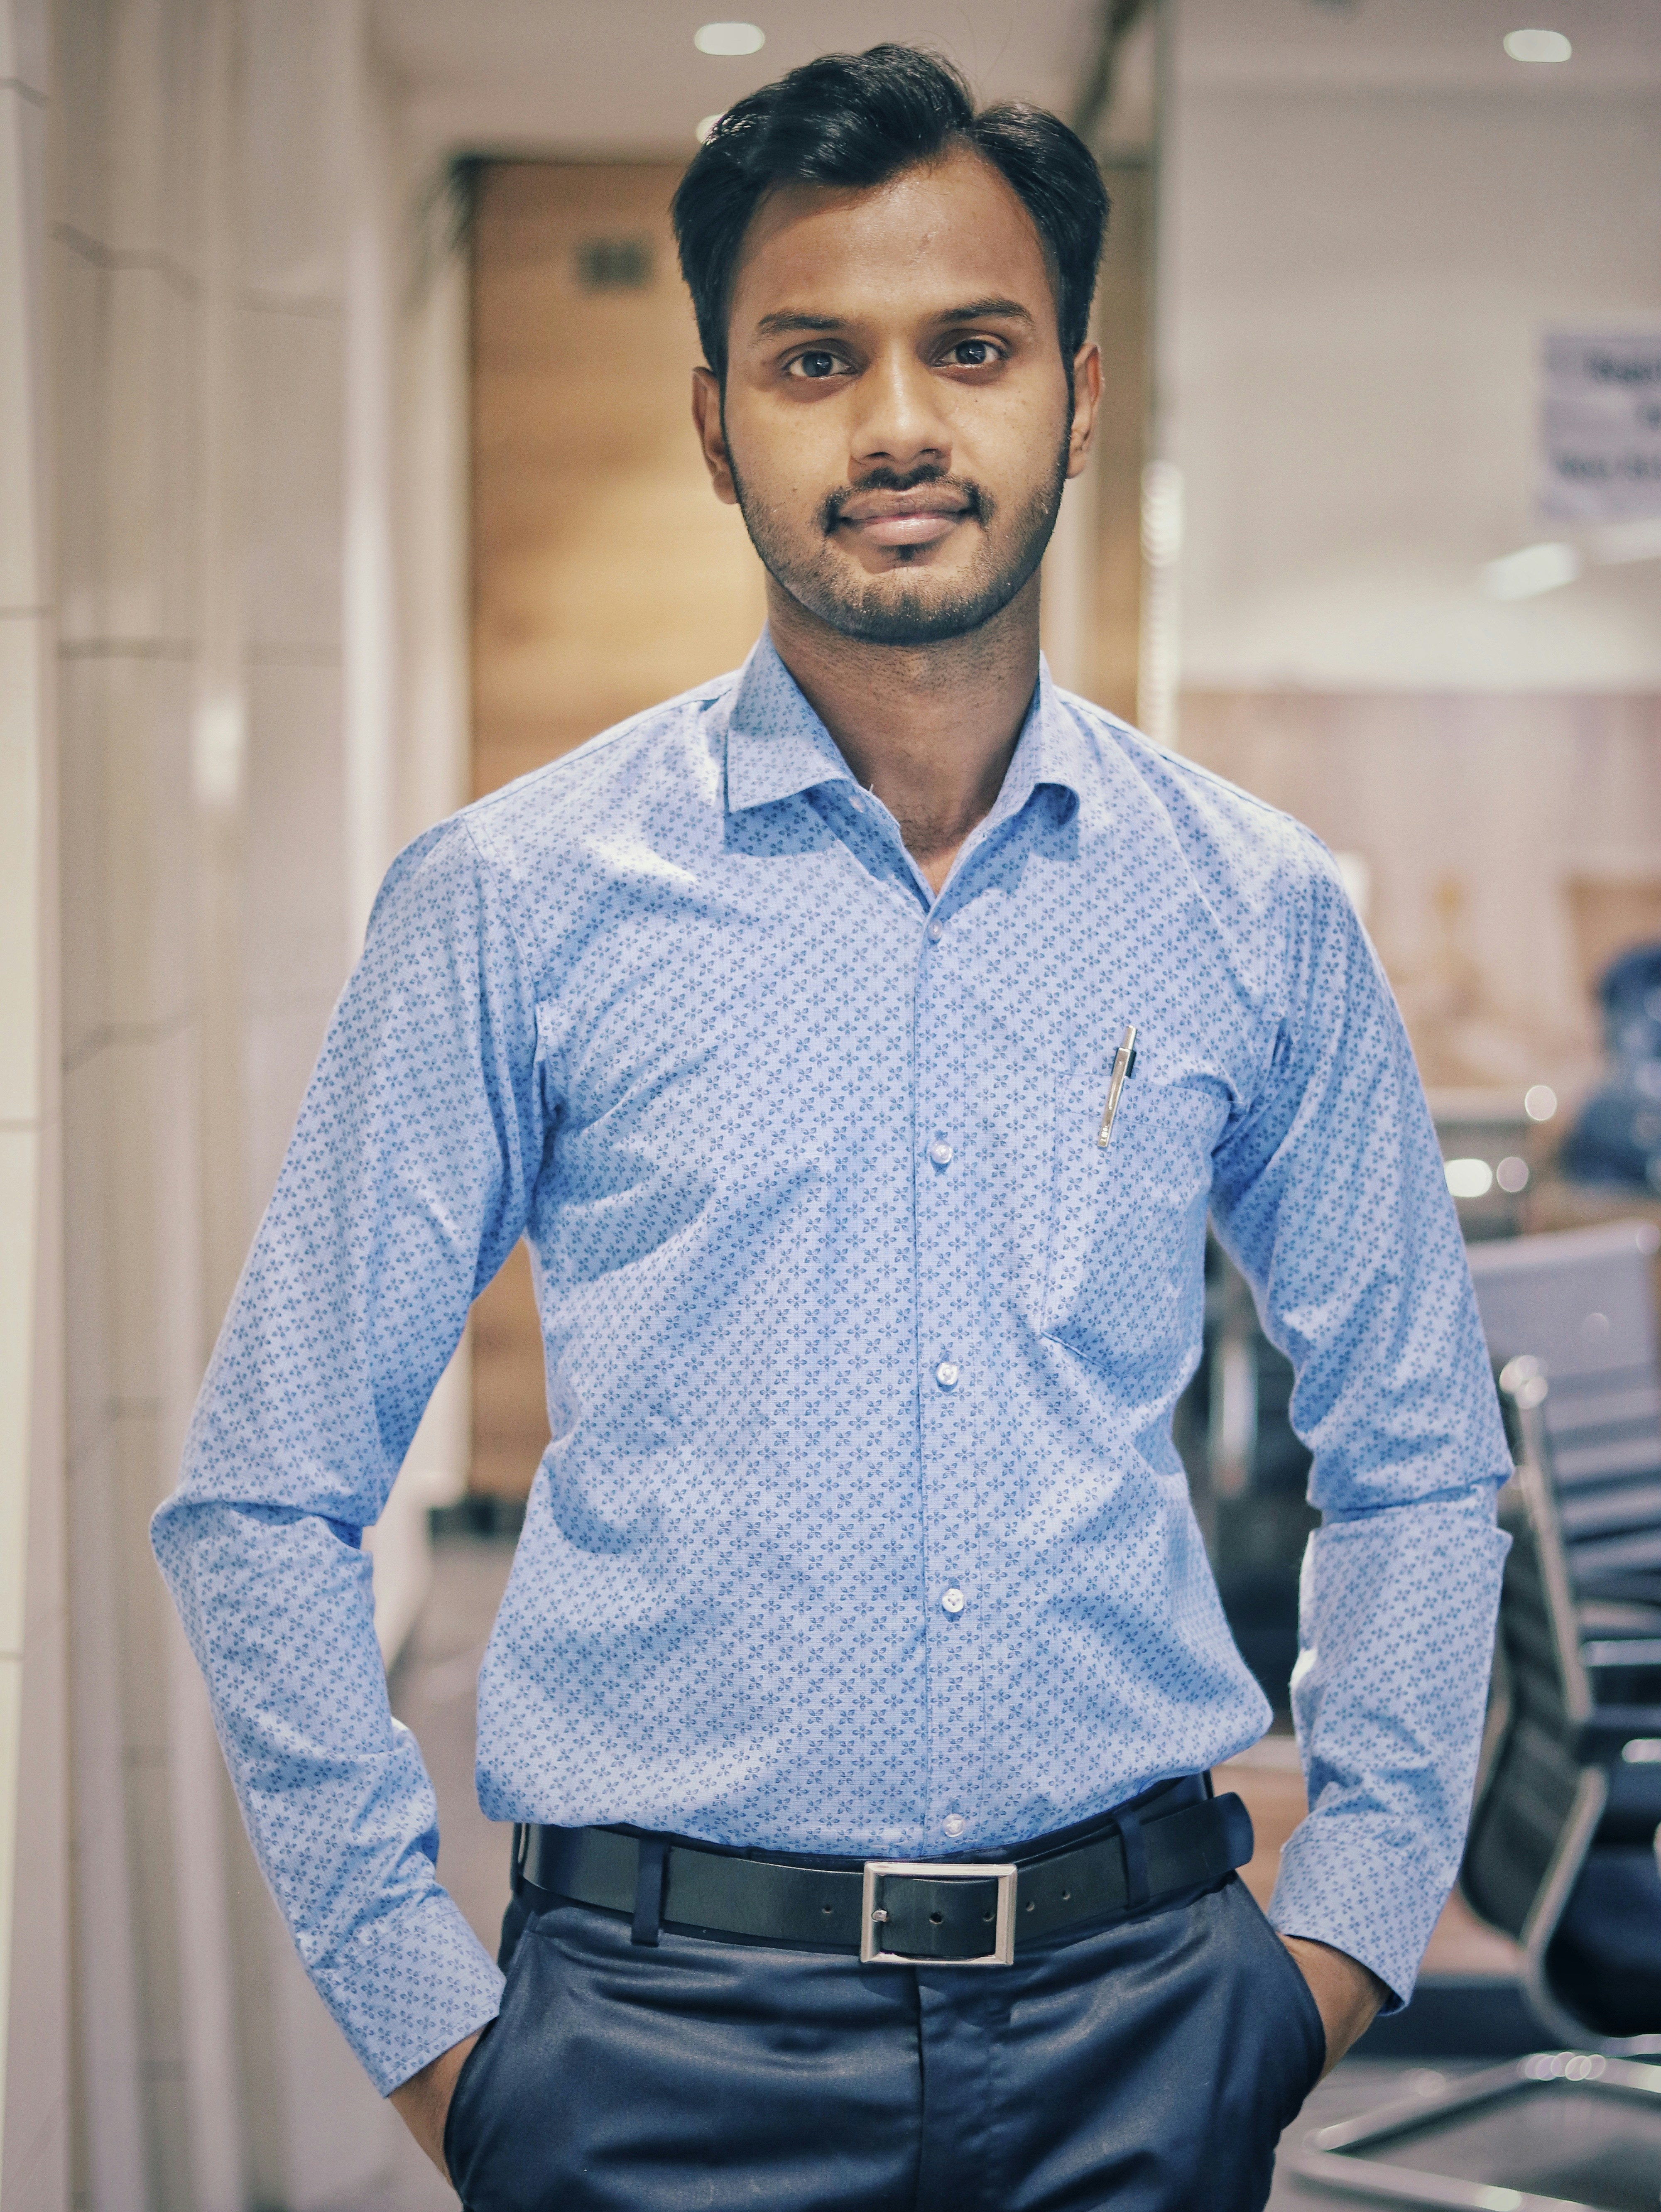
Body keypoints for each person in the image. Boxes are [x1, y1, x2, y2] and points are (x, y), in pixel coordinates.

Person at [153, 44, 1512, 2212]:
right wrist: (435, 2037)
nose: (897, 425)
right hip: (659, 2042)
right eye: (815, 357)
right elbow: (261, 1496)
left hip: (1146, 2025)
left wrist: (1336, 1943)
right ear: (718, 421)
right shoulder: (514, 905)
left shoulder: (1250, 908)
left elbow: (1425, 1455)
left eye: (967, 347)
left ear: (1075, 391)